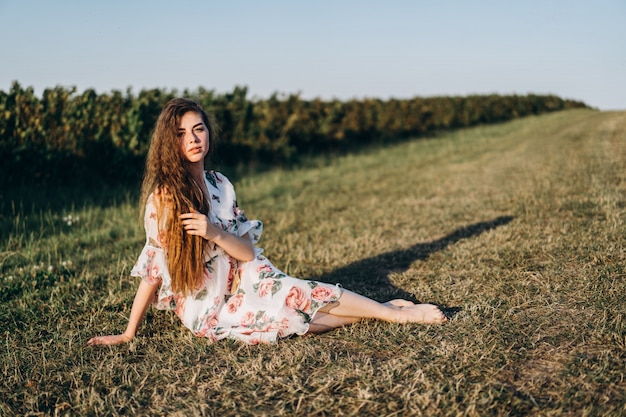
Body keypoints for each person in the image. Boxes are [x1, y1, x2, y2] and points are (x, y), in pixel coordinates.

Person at [87, 98, 446, 346]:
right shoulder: (166, 197)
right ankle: (383, 311)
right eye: (182, 134)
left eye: (198, 129)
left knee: (285, 288)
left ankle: (397, 316)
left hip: (244, 274)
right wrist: (129, 331)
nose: (193, 139)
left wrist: (213, 231)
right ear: (171, 142)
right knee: (284, 320)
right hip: (205, 302)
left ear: (208, 132)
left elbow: (245, 251)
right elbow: (154, 268)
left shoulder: (220, 185)